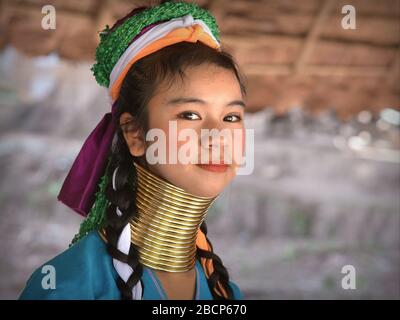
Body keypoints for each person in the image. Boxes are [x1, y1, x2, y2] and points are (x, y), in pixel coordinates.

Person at [19, 0, 247, 300]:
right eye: (190, 115)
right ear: (135, 133)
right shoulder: (67, 286)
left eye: (231, 117)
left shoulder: (225, 291)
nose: (217, 138)